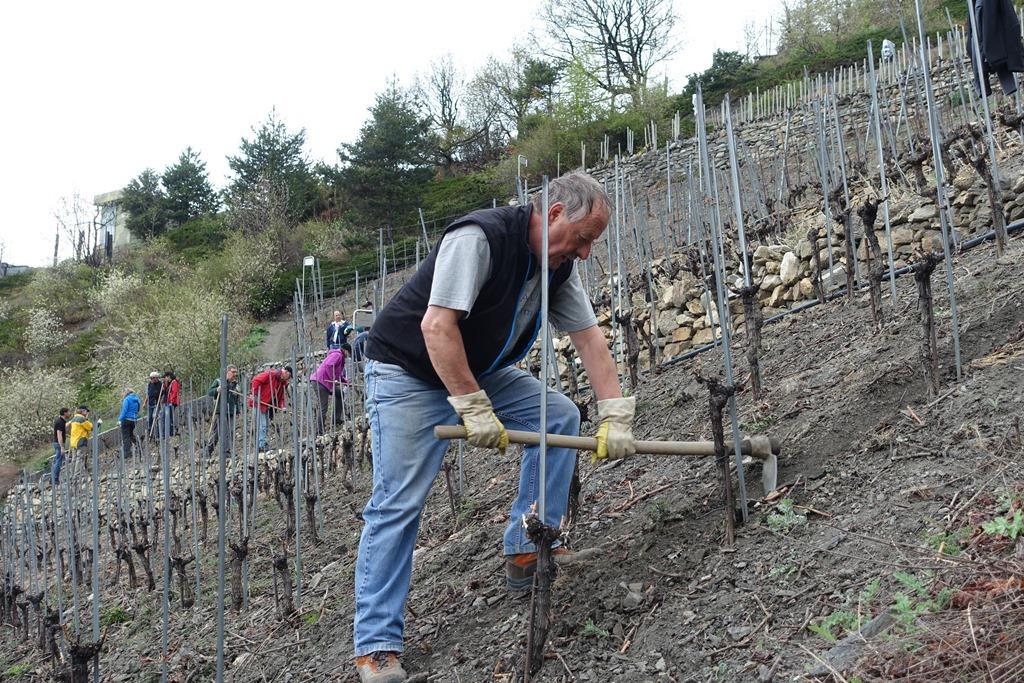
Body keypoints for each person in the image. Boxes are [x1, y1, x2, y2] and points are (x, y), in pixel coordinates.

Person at [352, 172, 636, 682]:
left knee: (559, 416)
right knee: (398, 502)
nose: (586, 252)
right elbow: (436, 327)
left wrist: (615, 414)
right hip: (407, 371)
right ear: (554, 214)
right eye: (583, 238)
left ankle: (528, 549)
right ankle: (376, 645)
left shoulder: (557, 268)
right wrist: (472, 406)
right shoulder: (479, 238)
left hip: (476, 368)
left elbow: (590, 340)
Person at [249, 366, 292, 452]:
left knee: (265, 426)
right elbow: (256, 380)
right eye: (289, 376)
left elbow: (281, 396)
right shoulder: (270, 374)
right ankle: (261, 445)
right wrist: (255, 395)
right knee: (262, 425)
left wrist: (282, 406)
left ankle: (262, 443)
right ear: (285, 372)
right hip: (259, 403)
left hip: (266, 406)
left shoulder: (282, 382)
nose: (289, 379)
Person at [310, 348, 347, 434]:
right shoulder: (337, 355)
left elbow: (338, 374)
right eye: (349, 353)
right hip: (320, 382)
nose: (348, 356)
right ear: (345, 350)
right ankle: (319, 431)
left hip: (326, 382)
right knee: (323, 407)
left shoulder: (340, 358)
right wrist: (332, 379)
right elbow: (329, 365)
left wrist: (346, 382)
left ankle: (336, 419)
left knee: (339, 393)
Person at [207, 365, 239, 456]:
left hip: (231, 411)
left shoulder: (236, 385)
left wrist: (238, 411)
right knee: (217, 432)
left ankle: (227, 451)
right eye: (233, 372)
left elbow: (236, 399)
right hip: (220, 411)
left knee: (230, 431)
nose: (235, 374)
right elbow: (210, 392)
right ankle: (208, 450)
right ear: (227, 372)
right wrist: (217, 390)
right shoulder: (219, 381)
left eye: (236, 372)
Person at [62, 406, 93, 484]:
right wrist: (90, 420)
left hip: (73, 442)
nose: (87, 413)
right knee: (80, 459)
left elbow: (67, 429)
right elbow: (90, 427)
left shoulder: (74, 419)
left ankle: (72, 475)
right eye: (87, 411)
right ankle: (76, 476)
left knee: (74, 459)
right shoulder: (81, 419)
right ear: (83, 411)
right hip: (81, 441)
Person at [118, 388, 141, 459]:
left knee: (126, 437)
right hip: (134, 420)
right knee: (130, 434)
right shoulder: (137, 399)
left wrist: (119, 420)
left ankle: (127, 453)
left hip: (126, 420)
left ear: (126, 393)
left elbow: (124, 411)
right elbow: (138, 409)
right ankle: (139, 446)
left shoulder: (127, 399)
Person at [50, 407, 70, 486]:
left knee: (57, 460)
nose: (69, 413)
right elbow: (59, 434)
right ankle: (54, 479)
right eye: (68, 412)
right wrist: (62, 447)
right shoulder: (60, 422)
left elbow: (63, 430)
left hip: (57, 443)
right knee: (58, 461)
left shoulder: (60, 421)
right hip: (58, 444)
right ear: (65, 413)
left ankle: (53, 478)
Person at [161, 371, 181, 437]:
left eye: (166, 377)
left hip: (172, 403)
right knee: (169, 417)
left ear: (169, 376)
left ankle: (171, 433)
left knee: (169, 418)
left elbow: (174, 392)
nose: (165, 379)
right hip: (169, 402)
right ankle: (169, 433)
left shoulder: (174, 382)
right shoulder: (170, 383)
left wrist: (171, 401)